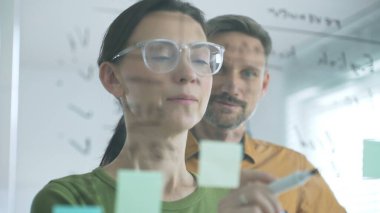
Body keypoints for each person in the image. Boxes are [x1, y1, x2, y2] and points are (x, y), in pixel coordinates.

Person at [31, 1, 282, 213]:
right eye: (162, 56)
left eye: (200, 59)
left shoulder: (232, 200)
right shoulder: (73, 200)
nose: (188, 73)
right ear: (113, 78)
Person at [101, 14, 346, 213]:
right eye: (219, 68)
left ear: (263, 85)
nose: (232, 86)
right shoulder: (147, 164)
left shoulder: (295, 167)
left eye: (248, 73)